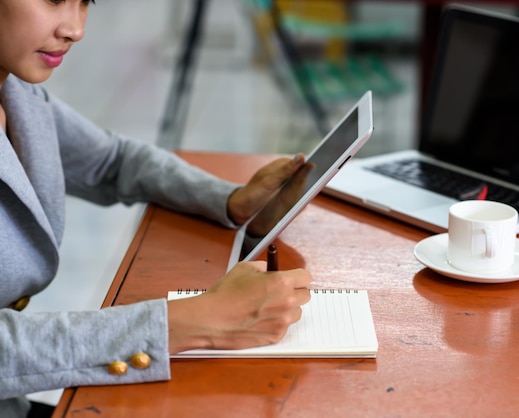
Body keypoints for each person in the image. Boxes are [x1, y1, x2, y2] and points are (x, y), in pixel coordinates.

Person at [0, 1, 313, 417]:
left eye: (85, 3)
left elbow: (110, 160)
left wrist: (228, 200)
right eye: (54, 0)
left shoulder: (16, 91)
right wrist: (184, 322)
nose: (75, 29)